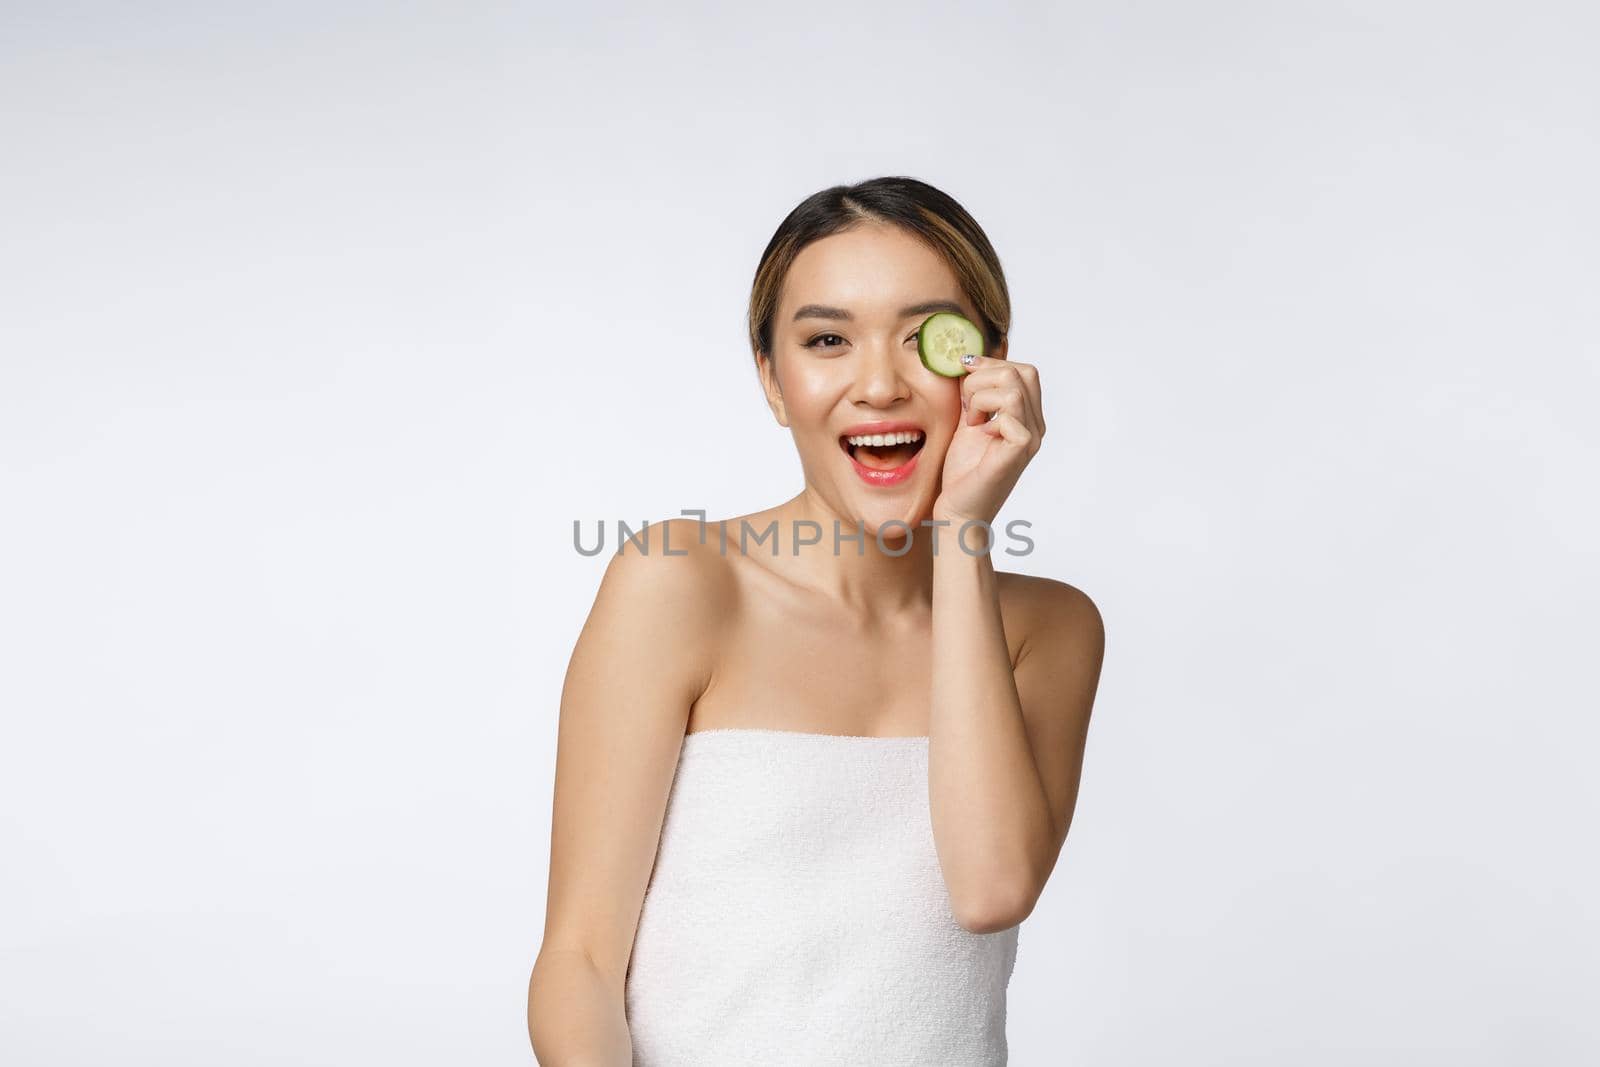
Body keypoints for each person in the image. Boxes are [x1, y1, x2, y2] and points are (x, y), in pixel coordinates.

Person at [526, 175, 1105, 1066]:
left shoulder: (1049, 628)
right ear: (771, 378)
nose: (879, 385)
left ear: (989, 367)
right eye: (828, 339)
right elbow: (581, 962)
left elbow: (990, 888)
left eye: (925, 340)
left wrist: (963, 536)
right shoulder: (680, 582)